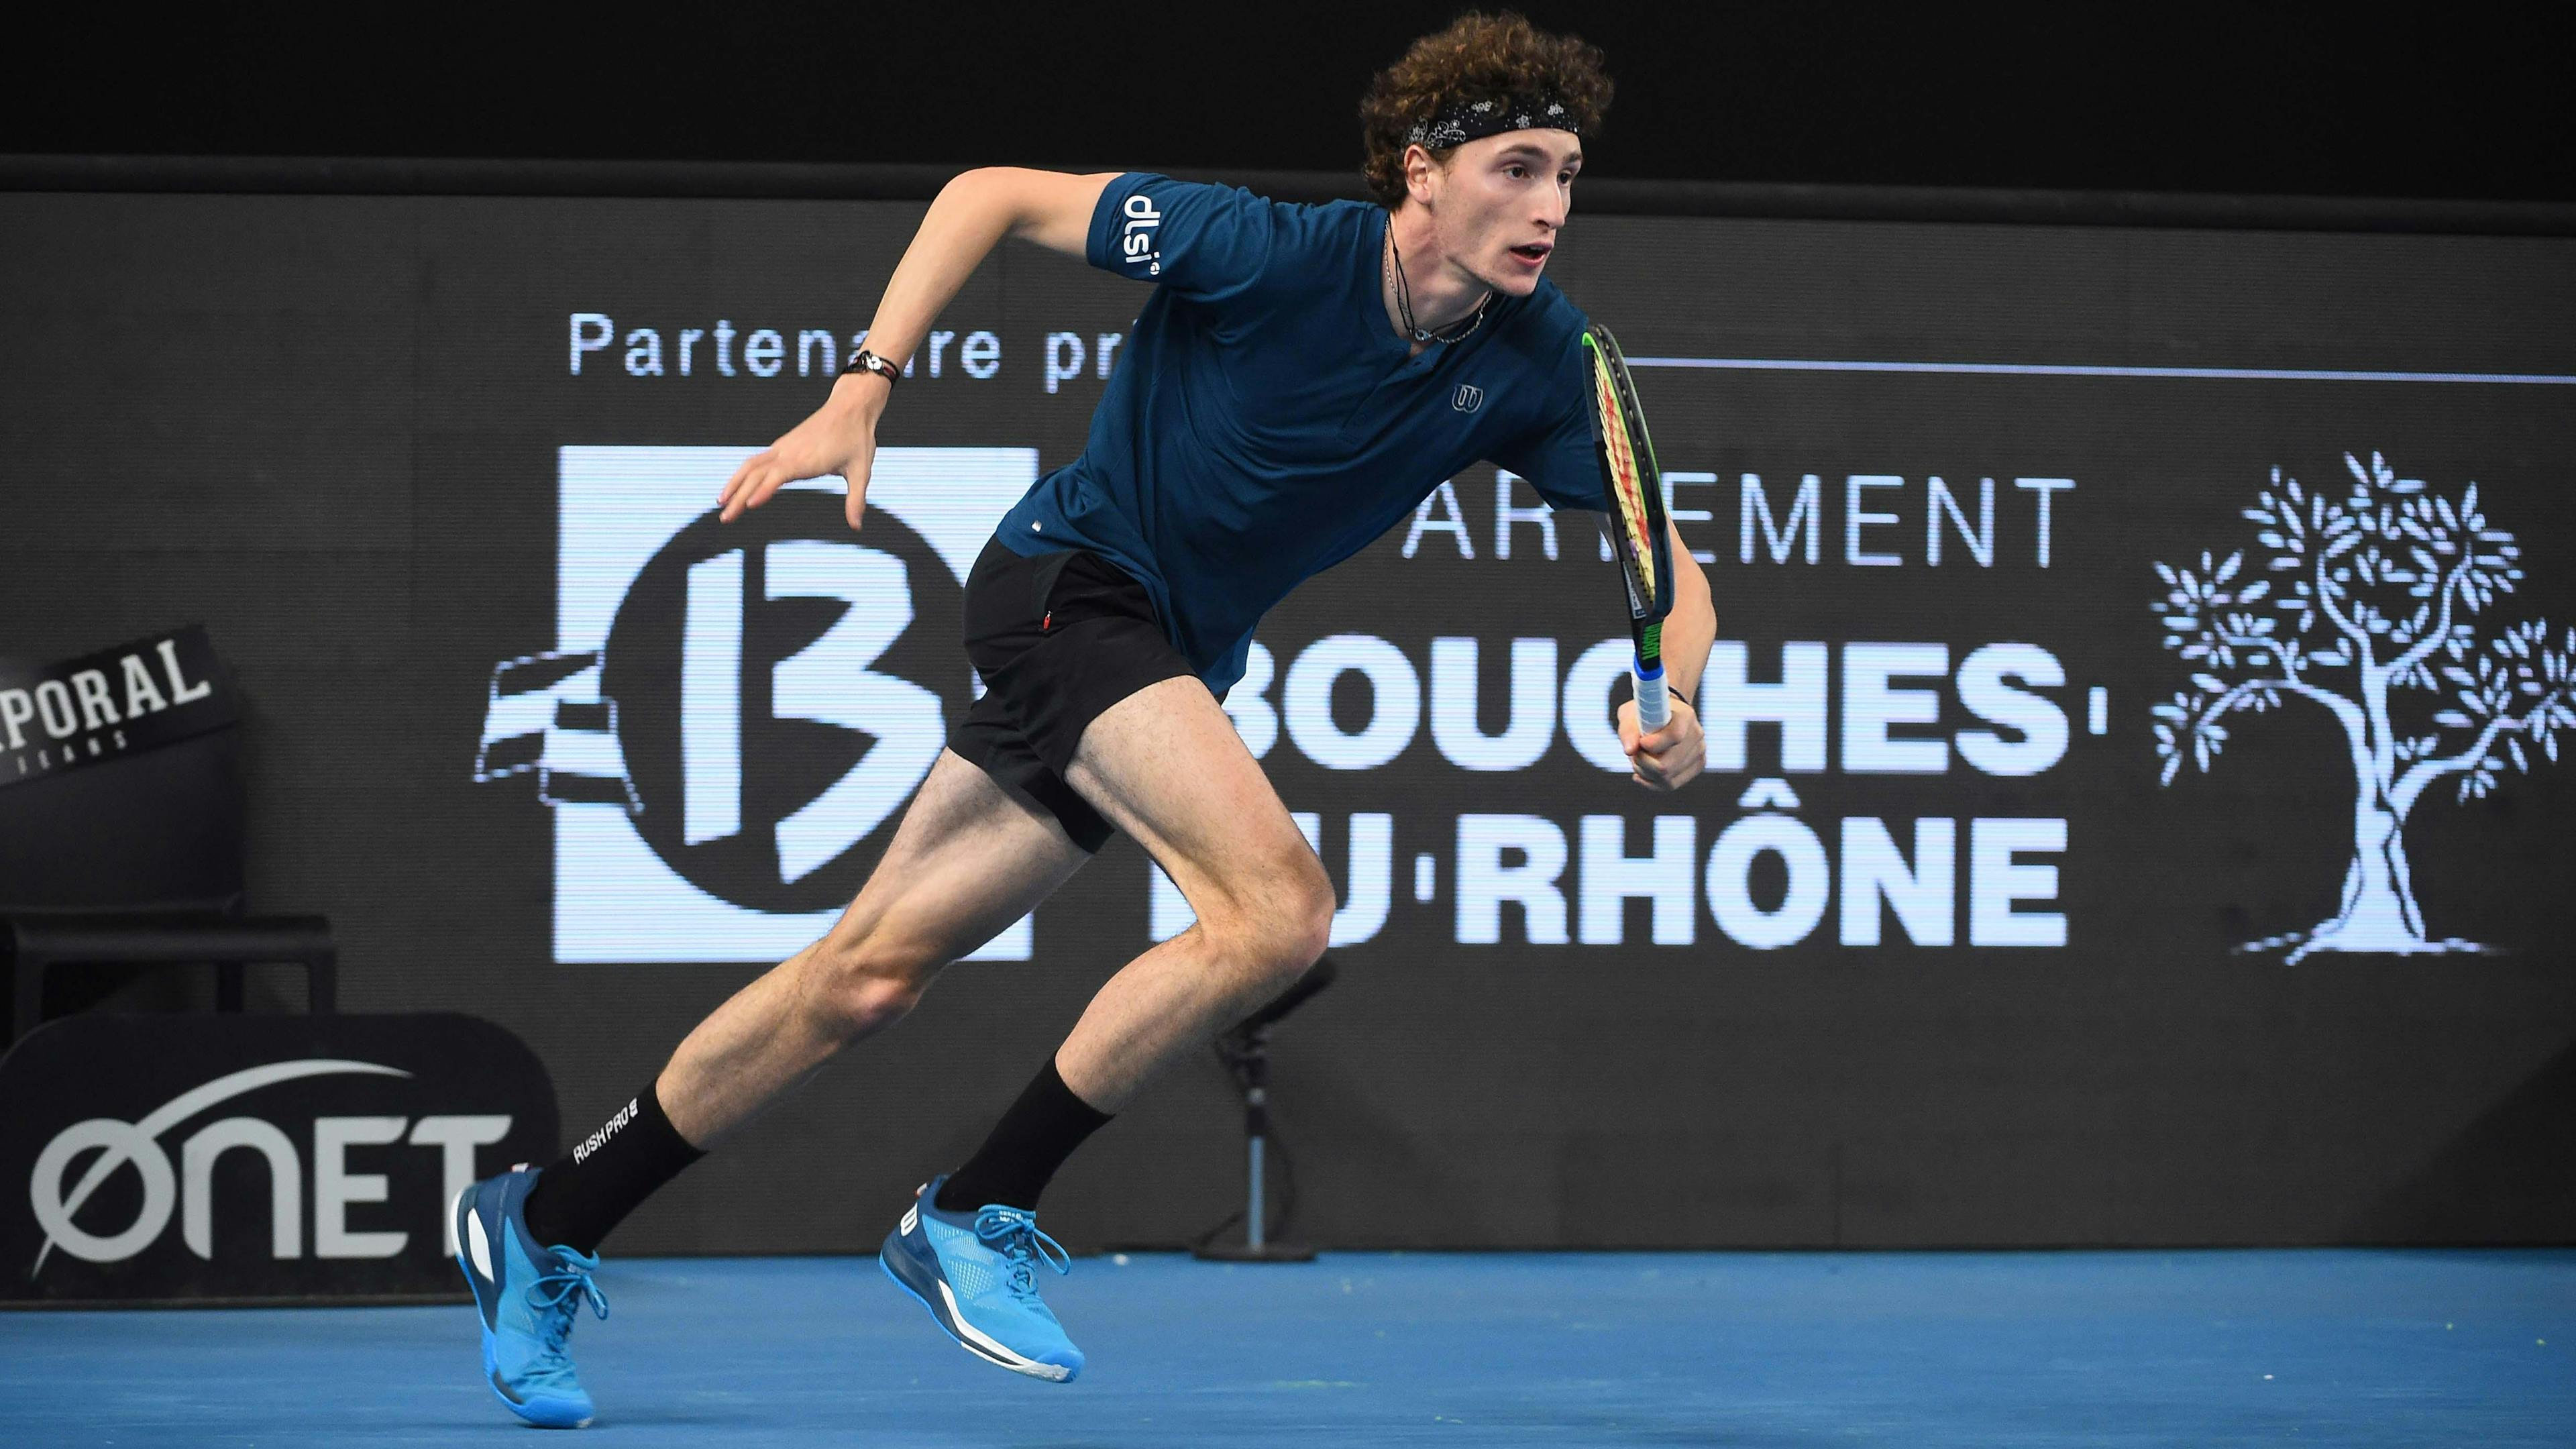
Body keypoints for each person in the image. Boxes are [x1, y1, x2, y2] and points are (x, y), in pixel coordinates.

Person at [448, 10, 1710, 1426]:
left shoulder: (1543, 359)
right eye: (1517, 167)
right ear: (1422, 168)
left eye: (1568, 175)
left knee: (865, 975)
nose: (1548, 207)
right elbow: (988, 196)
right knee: (1278, 912)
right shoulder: (1261, 250)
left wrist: (1677, 696)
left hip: (1161, 652)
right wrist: (863, 386)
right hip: (1072, 588)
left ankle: (545, 1218)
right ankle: (978, 1211)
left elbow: (1671, 566)